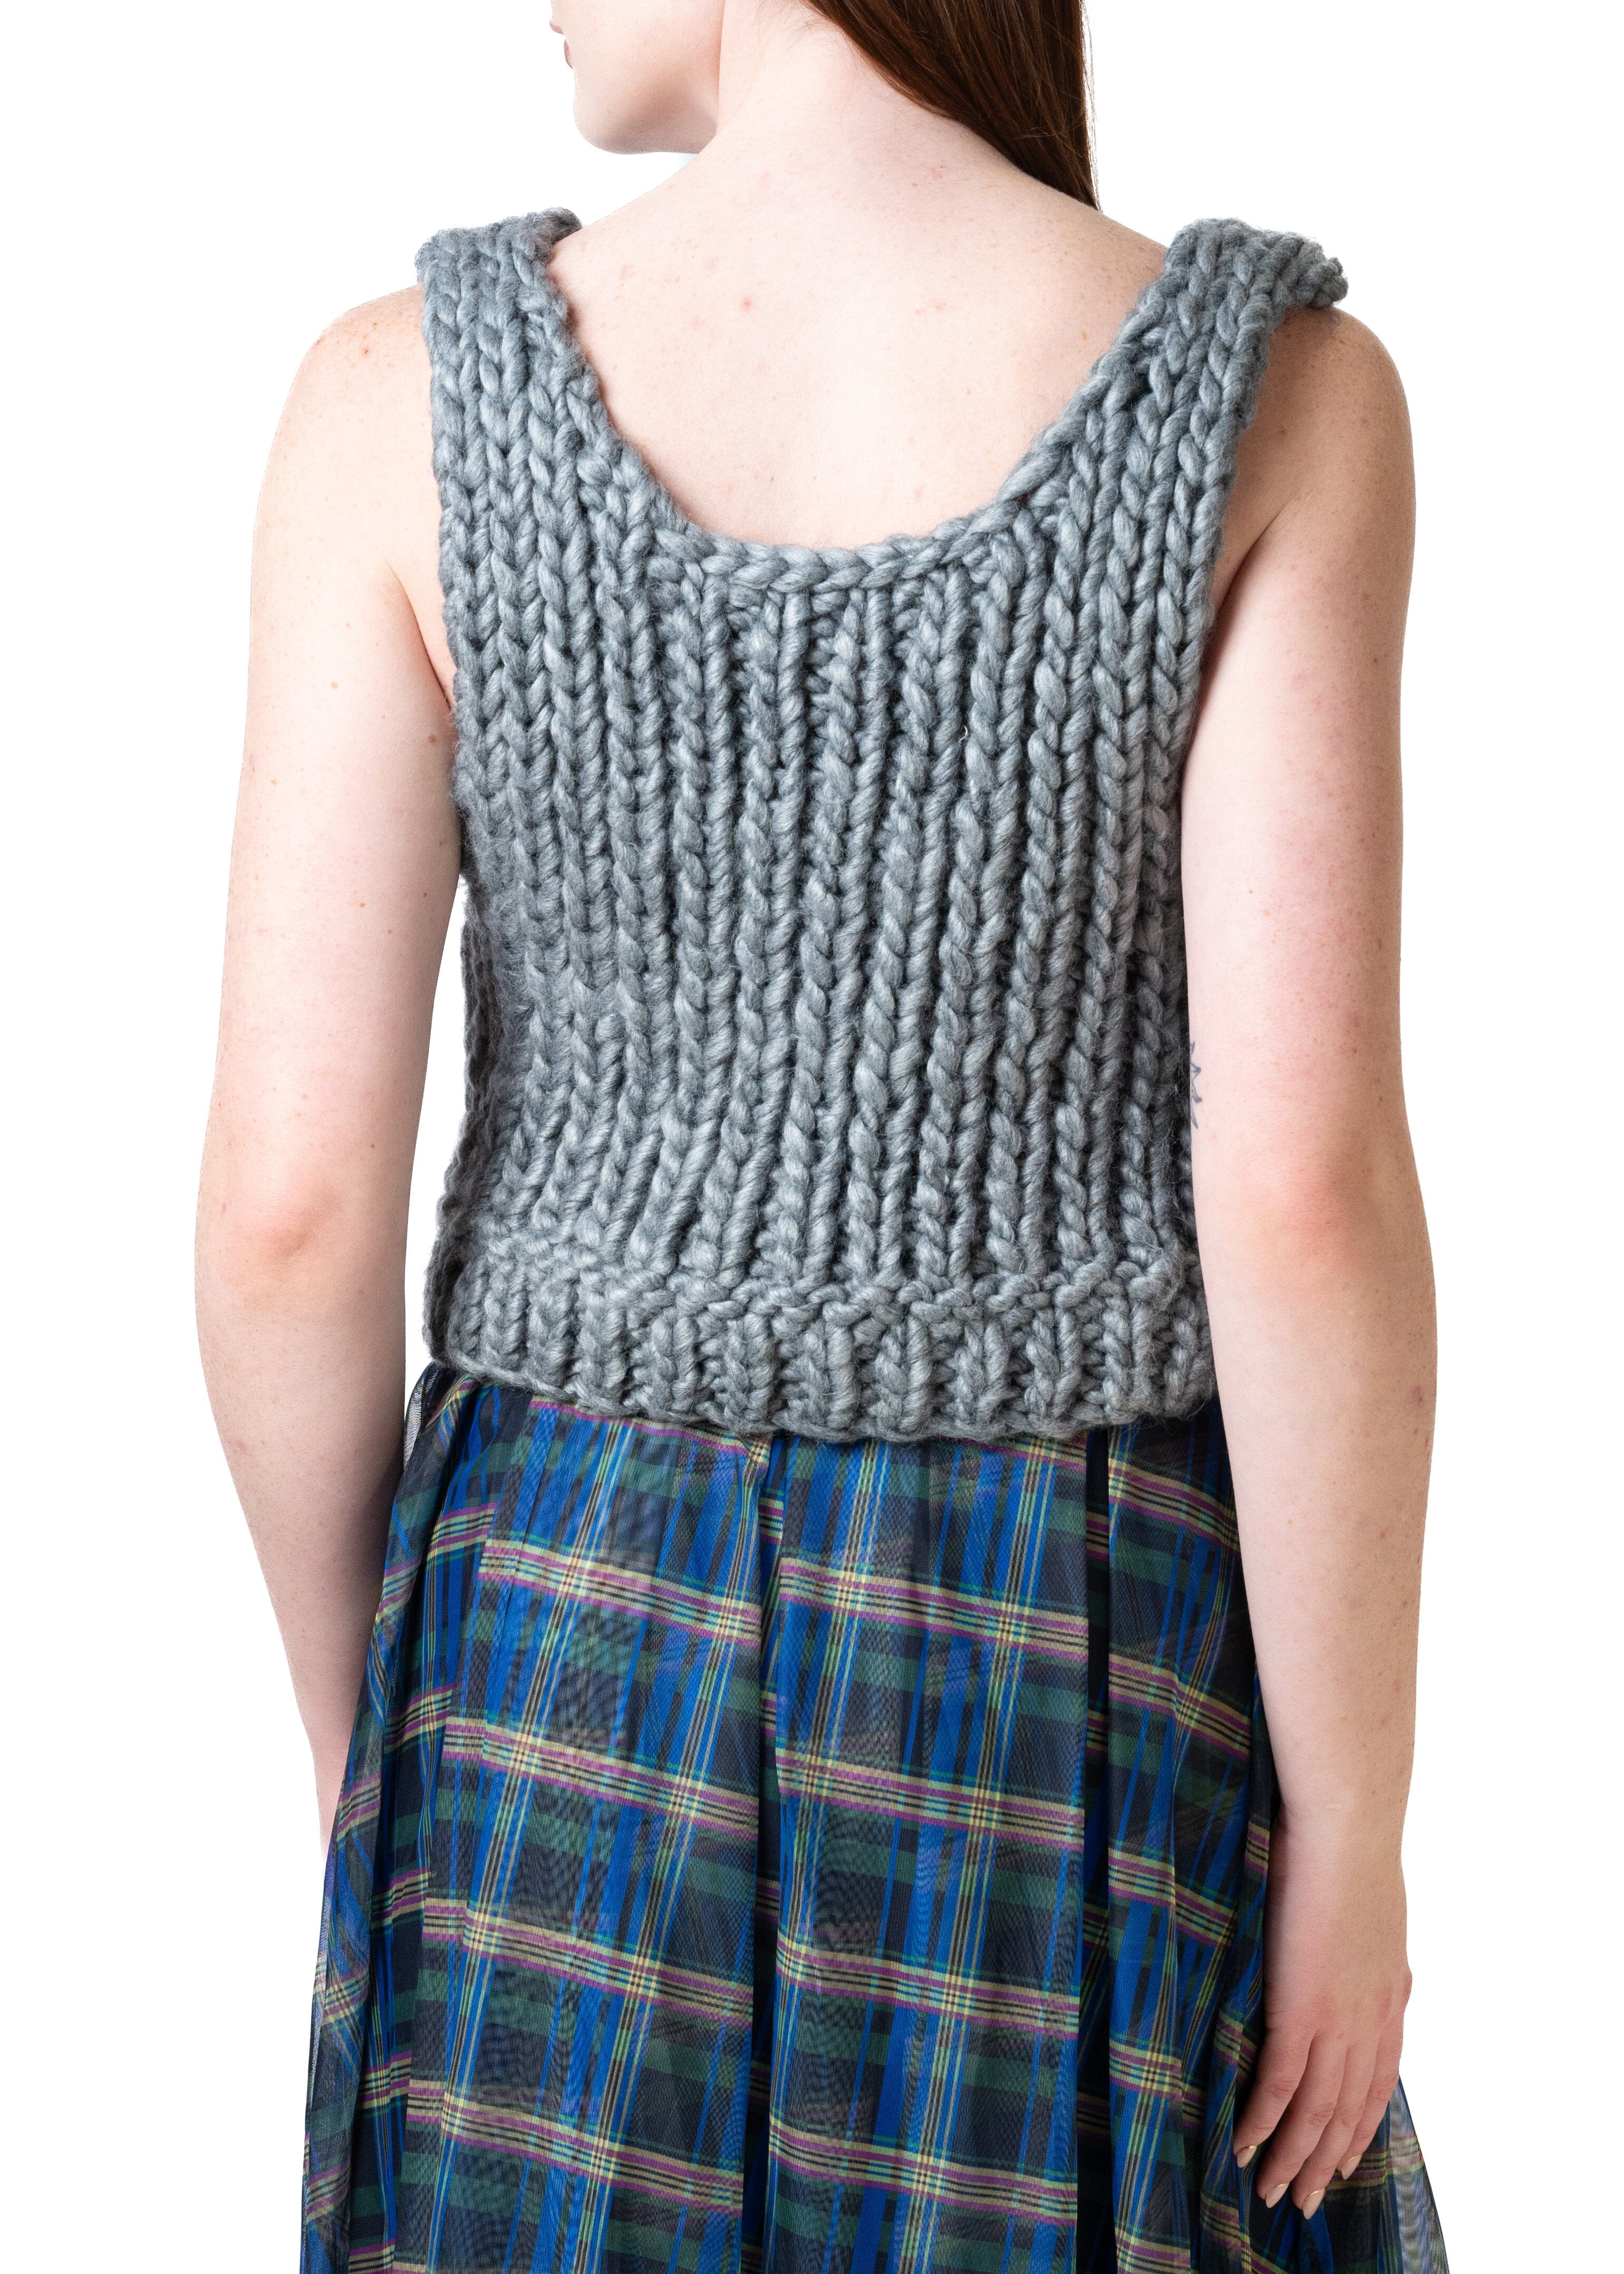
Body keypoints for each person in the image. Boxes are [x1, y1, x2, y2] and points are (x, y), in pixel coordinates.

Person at [196, 2, 1448, 2266]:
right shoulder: (1275, 397)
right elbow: (1302, 1193)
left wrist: (370, 1738)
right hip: (1074, 1634)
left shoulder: (399, 402)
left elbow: (291, 1215)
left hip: (556, 1623)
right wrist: (1351, 1832)